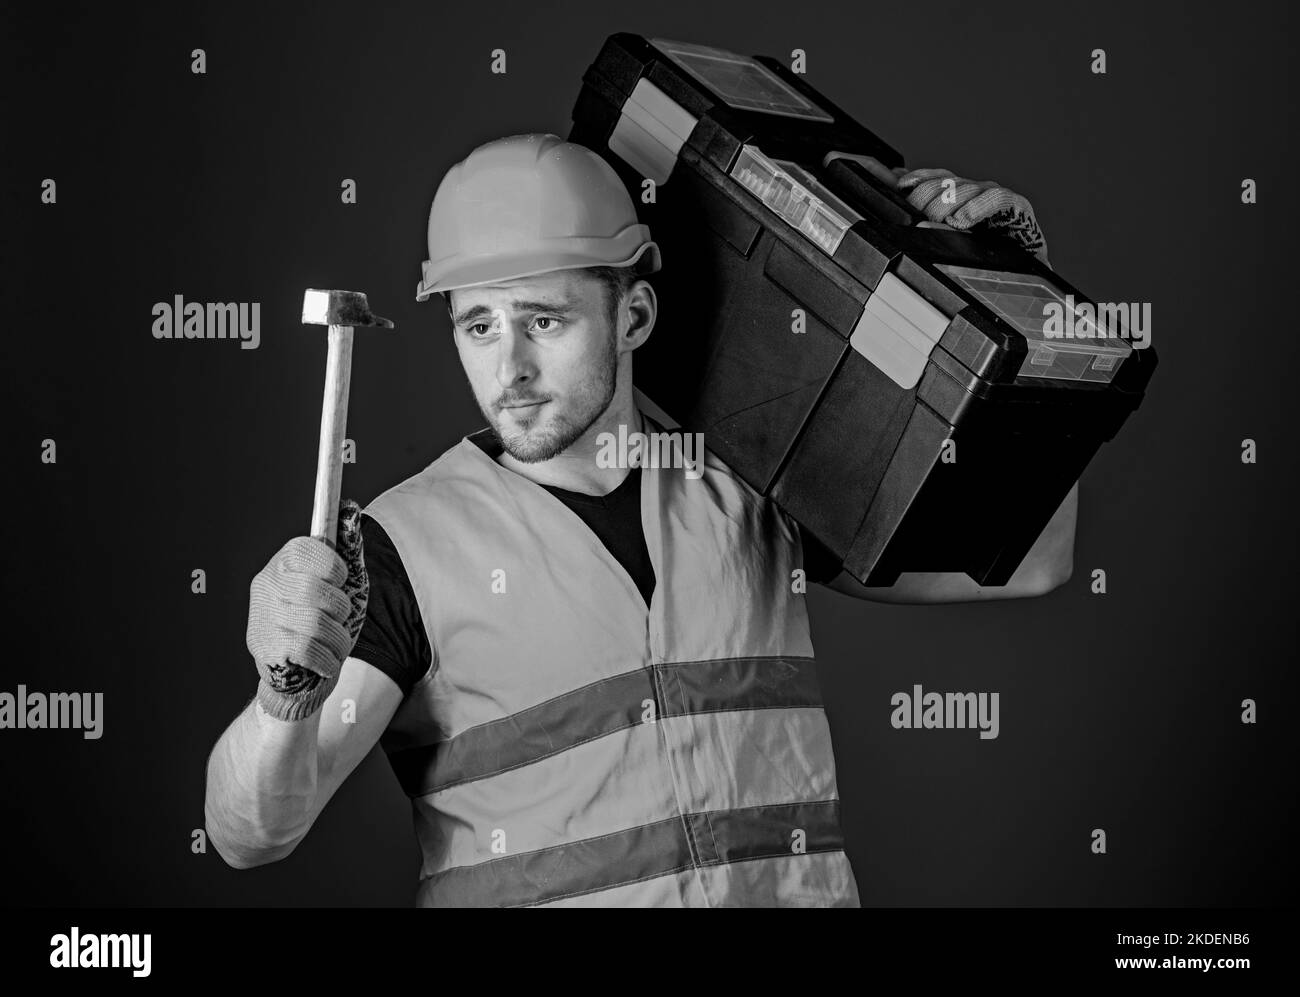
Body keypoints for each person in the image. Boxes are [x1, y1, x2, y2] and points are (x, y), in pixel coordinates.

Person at [204, 133, 1077, 907]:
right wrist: (283, 696)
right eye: (478, 325)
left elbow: (1035, 561)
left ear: (634, 315)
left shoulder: (756, 489)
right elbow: (251, 833)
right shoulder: (401, 551)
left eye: (543, 319)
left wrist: (1018, 302)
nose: (509, 367)